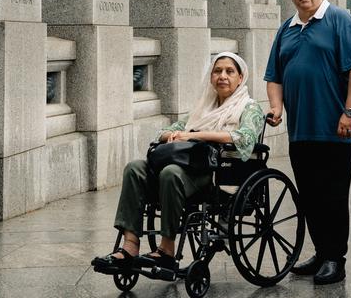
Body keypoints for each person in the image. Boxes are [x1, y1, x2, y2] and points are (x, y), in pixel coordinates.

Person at [97, 52, 265, 270]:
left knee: (171, 173)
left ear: (240, 78)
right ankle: (130, 245)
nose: (222, 76)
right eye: (217, 71)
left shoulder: (249, 107)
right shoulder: (203, 108)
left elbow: (244, 138)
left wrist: (195, 135)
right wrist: (174, 136)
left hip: (215, 174)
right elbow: (164, 132)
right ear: (211, 77)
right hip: (186, 167)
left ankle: (167, 249)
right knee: (135, 168)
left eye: (229, 71)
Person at [264, 0, 351, 285]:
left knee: (333, 196)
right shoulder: (287, 28)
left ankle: (336, 259)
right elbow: (274, 76)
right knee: (309, 196)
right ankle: (321, 252)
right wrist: (276, 107)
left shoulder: (340, 20)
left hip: (336, 128)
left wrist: (349, 112)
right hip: (301, 130)